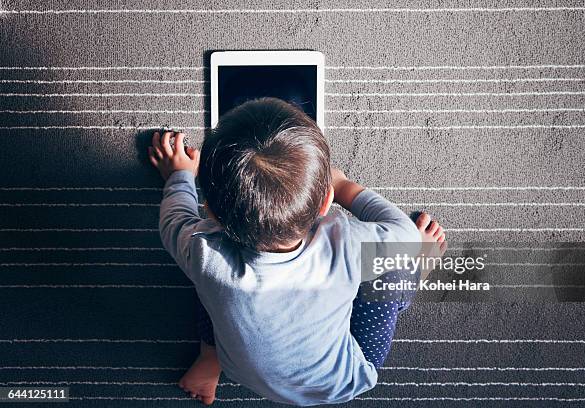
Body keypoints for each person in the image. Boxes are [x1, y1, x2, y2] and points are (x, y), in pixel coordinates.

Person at [147, 97, 446, 406]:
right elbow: (406, 234)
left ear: (210, 211)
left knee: (208, 277)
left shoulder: (203, 247)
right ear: (325, 201)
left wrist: (179, 175)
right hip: (344, 376)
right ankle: (411, 283)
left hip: (239, 366)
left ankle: (210, 357)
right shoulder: (344, 243)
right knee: (395, 263)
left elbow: (174, 218)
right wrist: (344, 185)